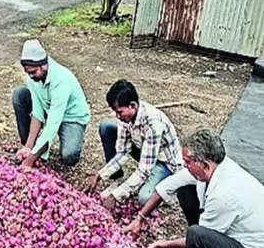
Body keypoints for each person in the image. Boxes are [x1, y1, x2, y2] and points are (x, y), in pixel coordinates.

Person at [143, 128, 264, 248]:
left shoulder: (224, 194)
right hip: (242, 239)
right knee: (184, 189)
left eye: (188, 162)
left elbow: (196, 238)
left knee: (196, 236)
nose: (184, 166)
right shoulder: (217, 166)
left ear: (204, 165)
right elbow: (170, 184)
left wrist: (164, 243)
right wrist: (140, 217)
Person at [86, 79, 183, 208]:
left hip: (164, 163)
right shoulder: (126, 117)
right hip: (145, 151)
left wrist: (117, 195)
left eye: (119, 112)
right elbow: (123, 152)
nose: (117, 116)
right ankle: (120, 177)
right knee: (106, 127)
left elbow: (145, 169)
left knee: (144, 198)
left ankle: (169, 191)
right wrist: (100, 175)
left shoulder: (152, 124)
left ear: (133, 105)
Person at [12, 39, 91, 167]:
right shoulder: (33, 78)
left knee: (69, 157)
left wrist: (30, 161)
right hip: (48, 109)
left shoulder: (61, 80)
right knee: (20, 94)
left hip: (71, 117)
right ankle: (31, 146)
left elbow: (54, 121)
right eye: (28, 72)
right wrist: (29, 147)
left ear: (44, 65)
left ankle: (73, 136)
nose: (30, 76)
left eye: (33, 72)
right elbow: (37, 113)